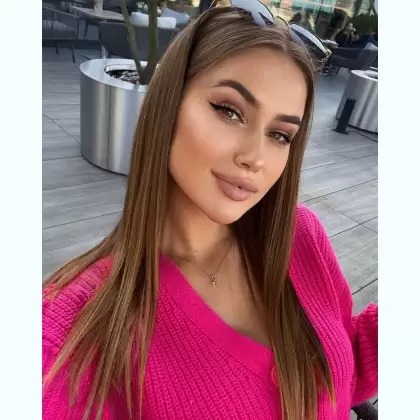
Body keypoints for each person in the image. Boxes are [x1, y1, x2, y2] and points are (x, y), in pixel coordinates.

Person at [42, 2, 378, 420]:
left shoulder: (300, 235)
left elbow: (343, 370)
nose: (255, 157)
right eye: (229, 111)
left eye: (279, 135)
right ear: (169, 103)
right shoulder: (73, 331)